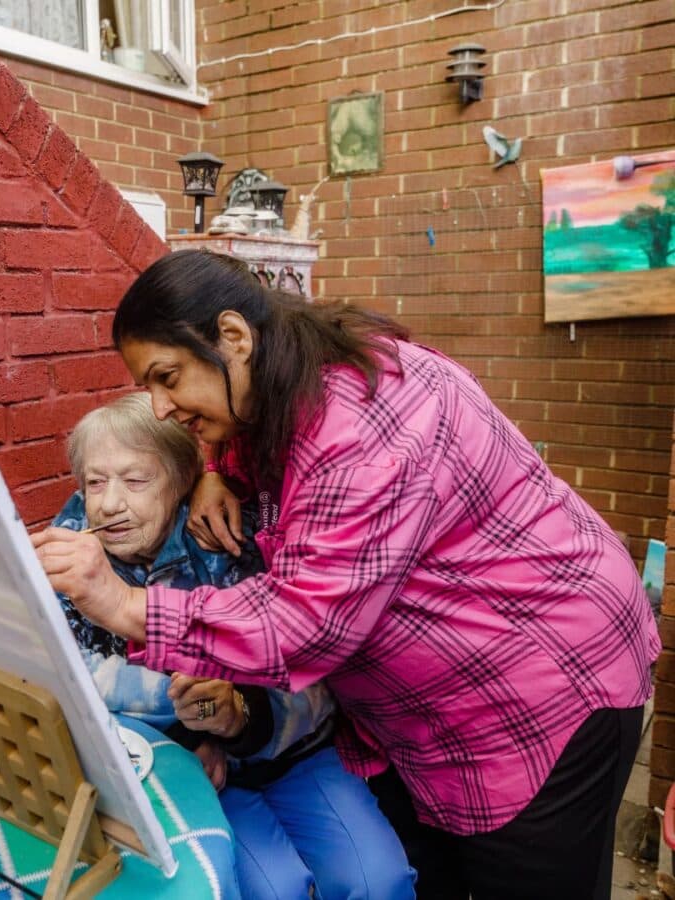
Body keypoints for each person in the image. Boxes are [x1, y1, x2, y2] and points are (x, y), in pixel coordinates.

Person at [33, 249, 661, 900]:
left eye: (168, 377)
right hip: (425, 717)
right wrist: (218, 468)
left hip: (543, 686)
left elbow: (303, 625)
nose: (161, 408)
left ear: (235, 337)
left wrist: (121, 603)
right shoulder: (287, 376)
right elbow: (257, 432)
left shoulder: (365, 425)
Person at [53, 392, 416, 900]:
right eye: (95, 482)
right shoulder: (76, 547)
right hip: (201, 773)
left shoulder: (236, 538)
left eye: (136, 481)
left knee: (377, 881)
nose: (110, 503)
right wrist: (183, 723)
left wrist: (243, 714)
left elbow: (312, 666)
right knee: (275, 890)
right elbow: (64, 670)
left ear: (182, 484)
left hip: (298, 752)